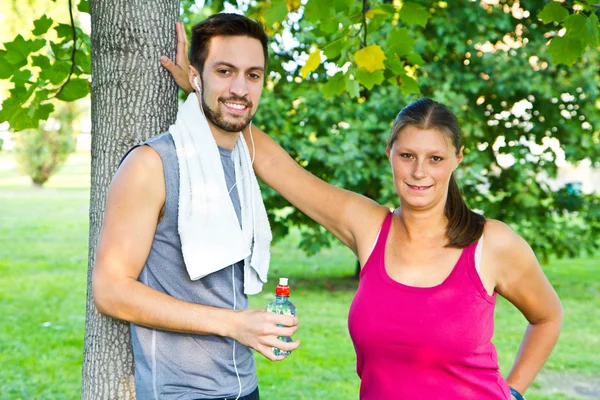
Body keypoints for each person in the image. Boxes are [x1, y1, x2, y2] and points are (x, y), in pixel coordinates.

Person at [163, 39, 562, 398]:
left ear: (458, 159)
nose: (419, 172)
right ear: (390, 153)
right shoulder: (368, 226)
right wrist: (202, 91)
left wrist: (514, 393)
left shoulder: (491, 243)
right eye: (407, 156)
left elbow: (547, 316)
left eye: (435, 159)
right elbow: (271, 162)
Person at [93, 14, 299, 400]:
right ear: (197, 75)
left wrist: (250, 328)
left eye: (253, 75)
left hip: (243, 386)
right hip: (180, 393)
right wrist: (236, 324)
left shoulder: (244, 154)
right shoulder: (152, 164)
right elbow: (110, 290)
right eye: (224, 71)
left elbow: (234, 111)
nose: (240, 88)